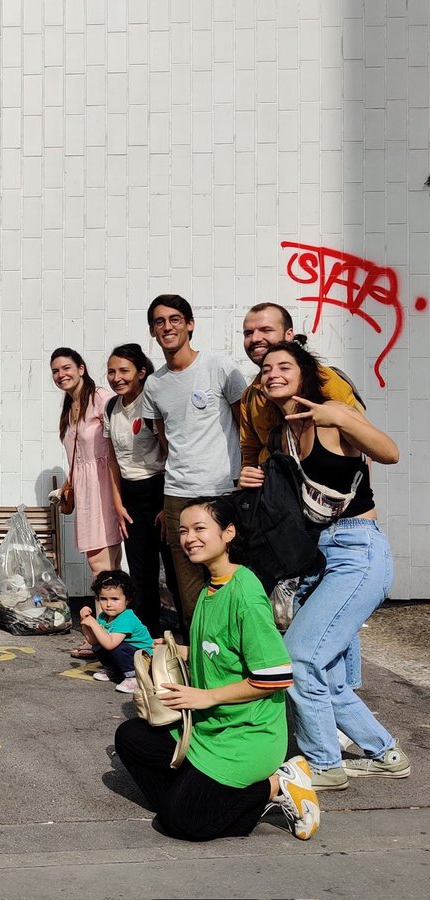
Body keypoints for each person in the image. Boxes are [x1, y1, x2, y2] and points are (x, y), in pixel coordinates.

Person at [113, 497, 320, 842]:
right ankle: (199, 799)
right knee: (130, 738)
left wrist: (203, 696)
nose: (189, 538)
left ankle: (277, 784)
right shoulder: (210, 588)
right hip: (210, 727)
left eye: (199, 529)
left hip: (247, 734)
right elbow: (220, 649)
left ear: (228, 534)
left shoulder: (246, 593)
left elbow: (276, 676)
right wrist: (175, 651)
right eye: (182, 531)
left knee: (181, 822)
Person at [250, 341, 408, 791]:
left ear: (304, 374)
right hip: (319, 555)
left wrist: (340, 416)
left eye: (284, 366)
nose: (274, 373)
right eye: (266, 368)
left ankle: (323, 764)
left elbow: (390, 452)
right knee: (329, 675)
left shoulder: (332, 412)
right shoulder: (282, 433)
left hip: (358, 549)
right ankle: (384, 752)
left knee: (300, 659)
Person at [140, 295, 248, 632]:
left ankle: (235, 662)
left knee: (232, 581)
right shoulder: (154, 384)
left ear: (189, 324)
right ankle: (200, 665)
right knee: (187, 591)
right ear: (153, 331)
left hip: (223, 491)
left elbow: (245, 427)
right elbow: (164, 439)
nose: (167, 326)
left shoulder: (219, 367)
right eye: (159, 321)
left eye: (174, 319)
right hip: (178, 494)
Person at [103, 343, 178, 636]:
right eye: (111, 371)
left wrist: (166, 505)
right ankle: (147, 642)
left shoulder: (151, 403)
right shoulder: (112, 407)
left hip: (160, 488)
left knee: (173, 573)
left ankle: (187, 641)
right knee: (140, 574)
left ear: (141, 372)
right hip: (130, 496)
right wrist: (118, 505)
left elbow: (170, 453)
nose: (116, 377)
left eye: (124, 370)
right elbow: (112, 459)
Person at [238, 303, 361, 468]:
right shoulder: (250, 395)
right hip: (276, 489)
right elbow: (250, 450)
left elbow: (361, 444)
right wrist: (248, 475)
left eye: (266, 330)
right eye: (248, 333)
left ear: (289, 335)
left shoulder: (324, 379)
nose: (255, 338)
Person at [50, 348, 122, 578]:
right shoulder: (69, 408)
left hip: (104, 487)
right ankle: (110, 612)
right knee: (99, 565)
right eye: (55, 371)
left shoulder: (102, 399)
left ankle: (108, 613)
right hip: (85, 490)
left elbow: (120, 443)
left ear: (81, 369)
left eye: (66, 368)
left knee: (103, 565)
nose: (61, 374)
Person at [78, 570, 152, 693]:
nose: (108, 604)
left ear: (127, 600)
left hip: (144, 658)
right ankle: (114, 670)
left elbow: (110, 644)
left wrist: (94, 624)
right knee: (98, 646)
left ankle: (134, 677)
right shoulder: (103, 616)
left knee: (117, 648)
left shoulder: (127, 617)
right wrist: (85, 622)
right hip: (128, 653)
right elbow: (93, 641)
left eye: (114, 599)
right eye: (103, 599)